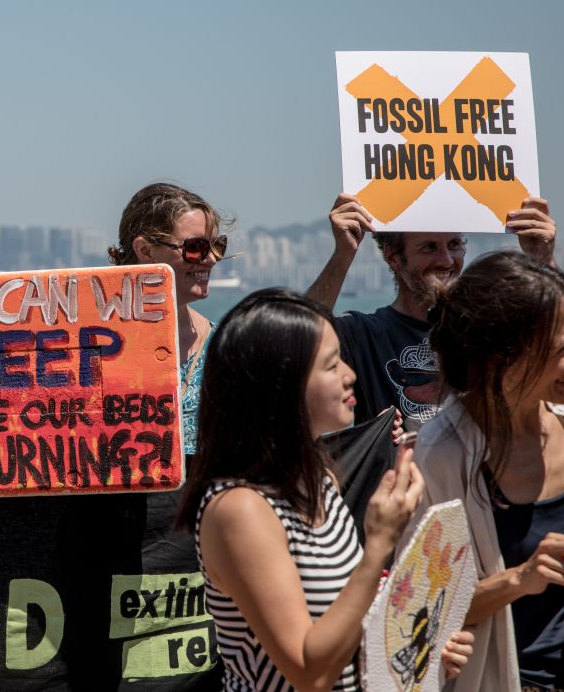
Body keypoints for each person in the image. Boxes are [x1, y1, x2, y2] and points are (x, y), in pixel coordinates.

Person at [178, 288, 471, 690]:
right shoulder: (240, 509)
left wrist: (419, 648)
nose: (350, 375)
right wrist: (380, 542)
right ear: (282, 384)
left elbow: (344, 624)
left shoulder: (317, 479)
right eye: (332, 365)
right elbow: (308, 671)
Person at [415, 250, 564, 690]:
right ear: (502, 359)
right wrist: (521, 578)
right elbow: (424, 610)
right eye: (563, 347)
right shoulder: (445, 452)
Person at [306, 192, 559, 431]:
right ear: (393, 258)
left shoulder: (491, 331)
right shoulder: (364, 334)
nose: (447, 260)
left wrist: (543, 261)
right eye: (429, 247)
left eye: (454, 244)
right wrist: (343, 253)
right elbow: (295, 344)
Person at [107, 182, 227, 454]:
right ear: (145, 250)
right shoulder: (91, 347)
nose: (212, 259)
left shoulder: (225, 348)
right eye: (196, 247)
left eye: (217, 245)